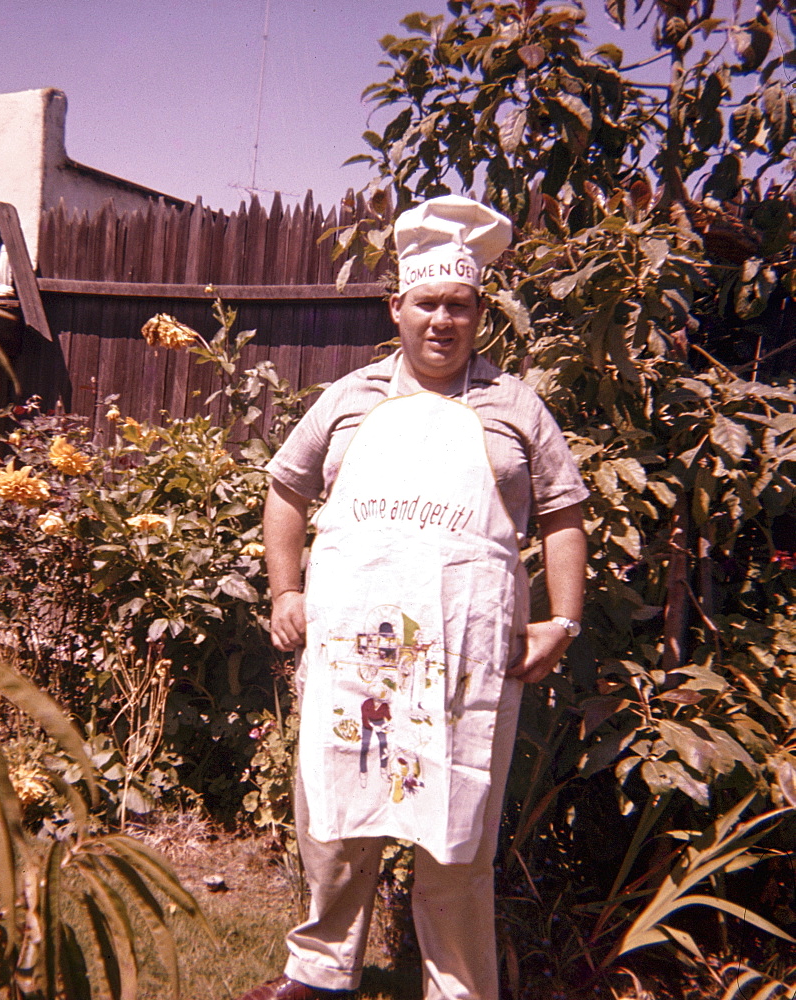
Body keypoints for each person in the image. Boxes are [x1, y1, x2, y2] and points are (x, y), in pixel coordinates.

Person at [237, 196, 589, 1000]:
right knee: (334, 807)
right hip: (351, 650)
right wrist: (284, 590)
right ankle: (320, 974)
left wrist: (561, 620)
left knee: (458, 824)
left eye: (458, 306)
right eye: (425, 303)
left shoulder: (514, 407)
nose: (441, 320)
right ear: (395, 307)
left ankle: (458, 987)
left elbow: (565, 513)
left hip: (467, 651)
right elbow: (285, 491)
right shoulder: (348, 398)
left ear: (478, 314)